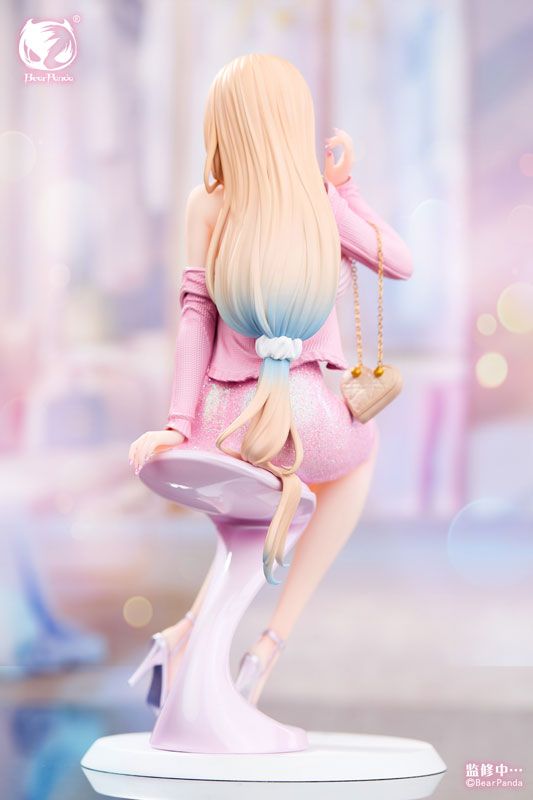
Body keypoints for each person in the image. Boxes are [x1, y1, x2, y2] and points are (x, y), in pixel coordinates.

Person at [129, 54, 413, 710]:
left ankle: (184, 635)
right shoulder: (317, 200)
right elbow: (398, 262)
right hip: (306, 418)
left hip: (222, 422)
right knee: (355, 460)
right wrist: (345, 189)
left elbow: (195, 319)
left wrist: (177, 424)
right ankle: (270, 642)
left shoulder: (206, 204)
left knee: (251, 515)